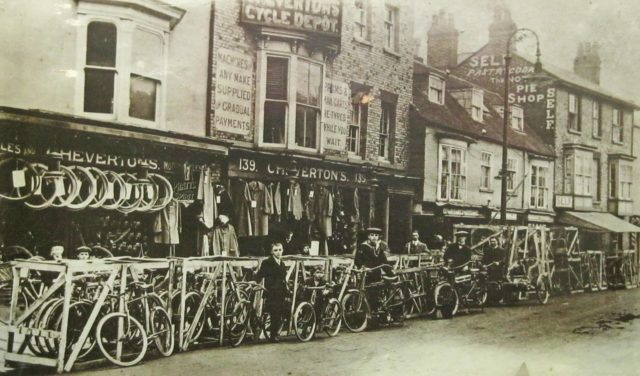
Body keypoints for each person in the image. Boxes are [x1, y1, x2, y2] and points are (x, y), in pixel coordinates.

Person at [255, 242, 288, 343]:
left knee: (282, 311)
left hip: (281, 291)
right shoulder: (267, 262)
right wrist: (255, 280)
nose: (278, 252)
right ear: (271, 251)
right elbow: (261, 273)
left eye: (280, 250)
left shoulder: (282, 263)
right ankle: (273, 335)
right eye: (275, 250)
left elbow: (283, 278)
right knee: (275, 312)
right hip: (272, 291)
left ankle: (274, 330)